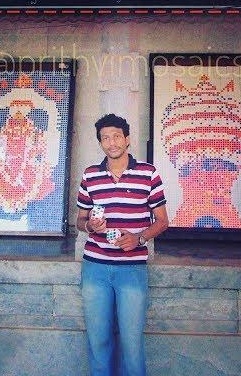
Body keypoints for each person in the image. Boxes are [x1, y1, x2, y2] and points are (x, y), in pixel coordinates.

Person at [76, 114, 169, 376]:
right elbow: (80, 221)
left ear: (127, 139)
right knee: (99, 340)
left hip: (132, 269)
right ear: (100, 143)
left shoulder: (148, 173)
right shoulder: (90, 175)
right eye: (105, 138)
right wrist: (90, 226)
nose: (111, 142)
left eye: (117, 136)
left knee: (132, 343)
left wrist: (139, 238)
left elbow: (162, 221)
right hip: (95, 268)